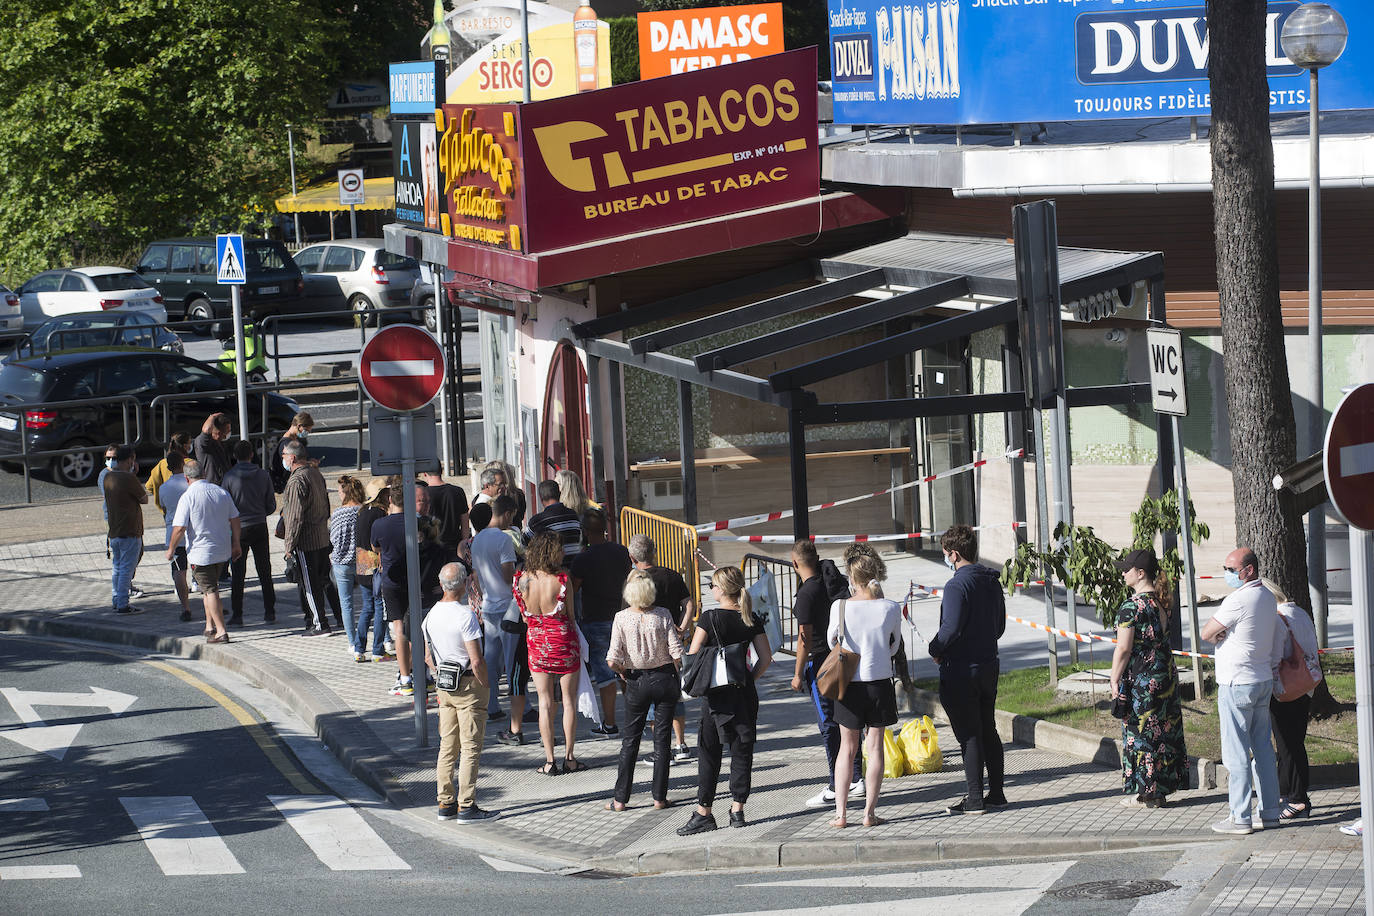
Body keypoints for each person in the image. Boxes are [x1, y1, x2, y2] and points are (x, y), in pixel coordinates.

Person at [677, 566, 772, 836]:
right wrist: (749, 677)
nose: (711, 590)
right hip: (743, 692)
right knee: (742, 751)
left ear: (721, 590)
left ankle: (704, 812)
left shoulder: (710, 618)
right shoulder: (750, 617)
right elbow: (765, 658)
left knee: (709, 752)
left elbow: (692, 655)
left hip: (716, 696)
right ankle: (737, 810)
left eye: (712, 586)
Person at [1201, 547, 1286, 834]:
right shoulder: (1265, 597)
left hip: (1236, 682)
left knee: (1236, 752)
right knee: (1262, 748)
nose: (1226, 574)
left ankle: (1240, 817)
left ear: (1248, 570)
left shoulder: (1238, 599)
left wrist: (1218, 635)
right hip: (1261, 680)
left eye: (1230, 569)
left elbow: (1206, 632)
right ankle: (1270, 811)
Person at [928, 524, 1007, 816]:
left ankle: (974, 799)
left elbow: (949, 629)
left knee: (969, 735)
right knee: (988, 729)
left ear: (955, 554)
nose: (946, 558)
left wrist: (935, 649)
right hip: (989, 665)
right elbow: (999, 626)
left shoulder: (956, 585)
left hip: (961, 670)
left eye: (946, 554)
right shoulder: (991, 580)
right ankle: (997, 793)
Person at [825, 545, 902, 828]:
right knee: (876, 747)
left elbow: (833, 641)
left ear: (851, 577)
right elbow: (894, 646)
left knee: (847, 748)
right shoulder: (891, 607)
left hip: (849, 685)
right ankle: (869, 813)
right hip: (879, 682)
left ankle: (841, 814)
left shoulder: (840, 606)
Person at [1109, 548, 1188, 809]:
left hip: (1141, 680)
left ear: (1140, 573)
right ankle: (1160, 789)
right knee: (1163, 732)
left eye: (1127, 569)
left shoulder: (1131, 607)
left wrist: (1113, 678)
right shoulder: (1162, 602)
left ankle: (1145, 791)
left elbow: (1123, 648)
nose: (1123, 573)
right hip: (1164, 676)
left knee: (1140, 733)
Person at [424, 562, 500, 823]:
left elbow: (427, 657)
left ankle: (445, 802)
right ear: (466, 583)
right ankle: (467, 806)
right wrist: (486, 684)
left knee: (448, 746)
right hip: (468, 683)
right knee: (470, 748)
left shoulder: (431, 614)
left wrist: (439, 674)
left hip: (445, 685)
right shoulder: (465, 615)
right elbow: (476, 659)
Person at [790, 539, 863, 808]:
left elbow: (804, 639)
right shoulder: (831, 583)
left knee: (828, 725)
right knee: (847, 720)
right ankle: (856, 777)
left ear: (795, 563)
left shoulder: (807, 593)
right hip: (843, 658)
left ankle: (835, 783)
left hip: (820, 664)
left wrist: (798, 674)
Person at [604, 568, 684, 811]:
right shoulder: (663, 615)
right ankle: (659, 797)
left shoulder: (621, 617)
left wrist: (622, 672)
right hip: (663, 677)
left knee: (630, 741)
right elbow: (677, 652)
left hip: (636, 680)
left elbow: (611, 659)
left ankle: (620, 799)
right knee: (662, 740)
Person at [513, 533, 584, 775]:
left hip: (536, 642)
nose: (563, 553)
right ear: (552, 552)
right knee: (568, 701)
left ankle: (549, 760)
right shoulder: (562, 580)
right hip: (563, 641)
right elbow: (571, 615)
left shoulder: (522, 581)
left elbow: (524, 616)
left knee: (544, 702)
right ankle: (570, 757)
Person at [628, 534, 695, 764]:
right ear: (654, 552)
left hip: (648, 646)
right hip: (672, 642)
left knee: (653, 699)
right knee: (673, 694)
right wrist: (683, 629)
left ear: (632, 557)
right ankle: (681, 743)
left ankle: (662, 749)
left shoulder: (635, 580)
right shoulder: (672, 575)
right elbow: (689, 604)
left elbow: (630, 615)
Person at [1263, 578, 1321, 820]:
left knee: (1288, 745)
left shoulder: (1277, 619)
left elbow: (1275, 658)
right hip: (1305, 685)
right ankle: (1287, 791)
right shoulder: (1299, 612)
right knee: (1294, 741)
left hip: (1285, 689)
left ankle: (1298, 799)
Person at [166, 458, 241, 643]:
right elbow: (235, 519)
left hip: (201, 553)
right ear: (204, 473)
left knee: (210, 590)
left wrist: (171, 548)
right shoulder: (221, 492)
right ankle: (209, 626)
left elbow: (179, 528)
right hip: (222, 549)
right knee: (208, 588)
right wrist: (236, 543)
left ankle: (221, 631)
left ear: (186, 478)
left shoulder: (188, 497)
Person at [571, 508, 631, 737]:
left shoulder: (582, 558)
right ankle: (638, 718)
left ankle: (610, 724)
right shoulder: (620, 551)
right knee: (626, 670)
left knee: (606, 675)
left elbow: (574, 589)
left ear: (585, 532)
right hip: (622, 617)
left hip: (595, 621)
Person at [280, 439, 339, 637]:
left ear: (293, 457)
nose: (283, 459)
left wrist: (289, 545)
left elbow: (295, 516)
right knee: (321, 580)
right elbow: (326, 504)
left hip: (306, 541)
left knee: (309, 584)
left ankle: (320, 623)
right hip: (322, 535)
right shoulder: (315, 473)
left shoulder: (297, 480)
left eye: (284, 456)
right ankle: (333, 618)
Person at [471, 495, 519, 718]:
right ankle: (522, 707)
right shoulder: (503, 539)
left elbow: (477, 577)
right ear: (507, 513)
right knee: (512, 659)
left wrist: (483, 596)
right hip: (507, 604)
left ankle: (491, 706)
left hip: (489, 604)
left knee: (491, 658)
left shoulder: (478, 539)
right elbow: (508, 573)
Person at [221, 439, 277, 626]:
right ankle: (270, 611)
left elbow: (224, 507)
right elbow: (271, 505)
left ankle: (238, 614)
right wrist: (260, 512)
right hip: (259, 525)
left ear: (234, 456)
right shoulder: (263, 475)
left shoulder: (229, 478)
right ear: (252, 454)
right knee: (264, 570)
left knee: (238, 573)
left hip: (238, 529)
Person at [372, 484, 419, 695]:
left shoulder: (379, 525)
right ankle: (421, 672)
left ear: (390, 500)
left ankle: (405, 678)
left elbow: (375, 548)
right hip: (416, 579)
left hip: (391, 581)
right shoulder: (418, 522)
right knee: (418, 628)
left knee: (399, 629)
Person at [104, 445, 147, 616]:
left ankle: (116, 599)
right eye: (133, 459)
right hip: (130, 530)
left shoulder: (108, 477)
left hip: (114, 530)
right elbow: (144, 499)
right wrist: (133, 476)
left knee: (117, 567)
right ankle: (123, 603)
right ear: (129, 459)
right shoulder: (128, 479)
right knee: (126, 569)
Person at [330, 476, 369, 662]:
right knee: (371, 602)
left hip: (342, 561)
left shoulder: (338, 513)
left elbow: (334, 539)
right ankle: (384, 638)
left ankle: (353, 642)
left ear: (345, 492)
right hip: (363, 559)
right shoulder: (363, 510)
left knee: (347, 605)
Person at [354, 478, 394, 662]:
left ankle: (358, 649)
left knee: (367, 607)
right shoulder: (380, 514)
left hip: (361, 562)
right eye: (386, 493)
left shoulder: (362, 512)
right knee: (380, 608)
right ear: (381, 495)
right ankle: (378, 650)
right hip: (376, 562)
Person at [157, 451, 193, 622]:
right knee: (201, 569)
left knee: (179, 571)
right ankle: (212, 601)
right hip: (194, 532)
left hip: (174, 534)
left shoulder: (163, 488)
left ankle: (185, 607)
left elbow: (164, 508)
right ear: (182, 464)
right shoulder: (189, 484)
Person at [525, 479, 583, 565]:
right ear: (559, 495)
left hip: (552, 571)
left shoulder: (536, 522)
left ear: (541, 499)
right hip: (575, 567)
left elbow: (524, 544)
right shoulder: (574, 516)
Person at [422, 469, 470, 551]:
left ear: (425, 474)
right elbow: (465, 525)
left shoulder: (423, 495)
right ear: (441, 471)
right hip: (454, 547)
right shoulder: (458, 491)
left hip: (431, 548)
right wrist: (465, 547)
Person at [144, 432, 192, 514]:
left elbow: (149, 486)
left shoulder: (162, 463)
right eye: (190, 443)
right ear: (185, 446)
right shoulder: (192, 464)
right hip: (188, 511)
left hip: (168, 511)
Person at [271, 412, 314, 493]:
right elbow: (289, 465)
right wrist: (308, 464)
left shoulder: (291, 440)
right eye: (306, 430)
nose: (307, 433)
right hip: (288, 484)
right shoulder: (286, 444)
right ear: (299, 426)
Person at [193, 413, 232, 486]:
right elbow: (206, 430)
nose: (229, 433)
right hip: (211, 486)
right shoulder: (203, 443)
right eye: (227, 431)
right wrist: (212, 417)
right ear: (218, 433)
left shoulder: (222, 443)